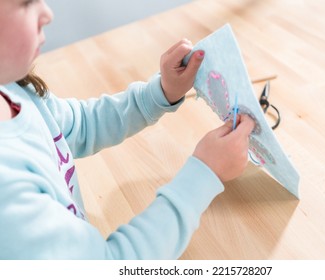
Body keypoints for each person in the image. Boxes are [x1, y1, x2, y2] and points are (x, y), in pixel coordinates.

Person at [0, 0, 255, 259]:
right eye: (26, 3)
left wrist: (160, 93)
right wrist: (205, 173)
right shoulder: (7, 195)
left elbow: (80, 125)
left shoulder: (10, 89)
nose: (48, 13)